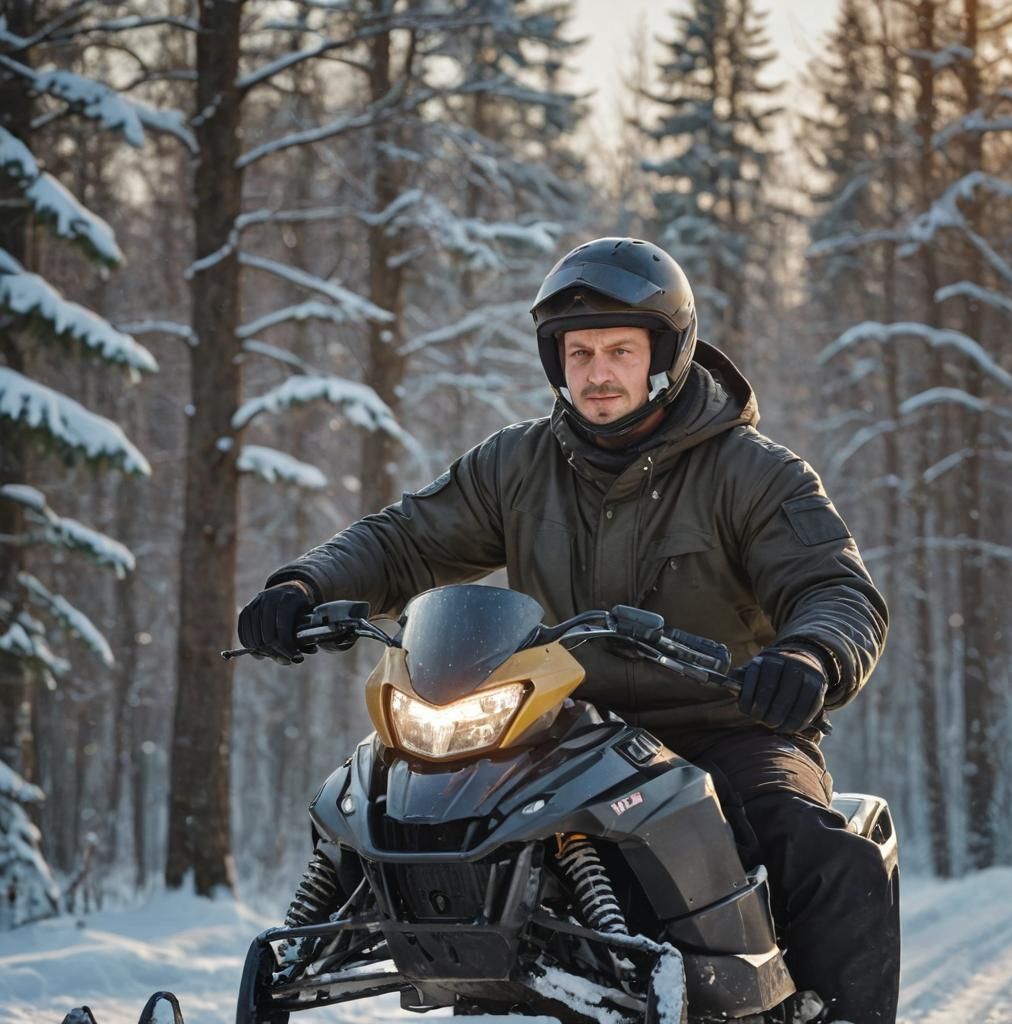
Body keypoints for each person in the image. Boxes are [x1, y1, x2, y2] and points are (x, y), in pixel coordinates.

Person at [238, 237, 900, 1022]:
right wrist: (305, 584)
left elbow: (835, 588)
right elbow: (406, 539)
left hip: (725, 723)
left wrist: (809, 655)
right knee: (390, 798)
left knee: (811, 843)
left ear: (667, 356)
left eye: (620, 351)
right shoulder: (516, 463)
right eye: (578, 353)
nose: (597, 373)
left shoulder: (754, 473)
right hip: (564, 727)